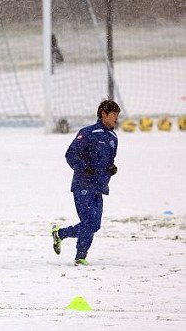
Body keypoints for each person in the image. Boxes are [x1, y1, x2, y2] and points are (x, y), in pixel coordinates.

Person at [52, 100, 120, 266]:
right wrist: (84, 168)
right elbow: (70, 154)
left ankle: (60, 234)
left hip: (99, 187)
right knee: (89, 223)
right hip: (83, 185)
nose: (116, 120)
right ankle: (80, 257)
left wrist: (111, 168)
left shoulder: (113, 138)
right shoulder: (88, 133)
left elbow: (109, 160)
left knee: (94, 225)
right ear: (104, 114)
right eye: (114, 116)